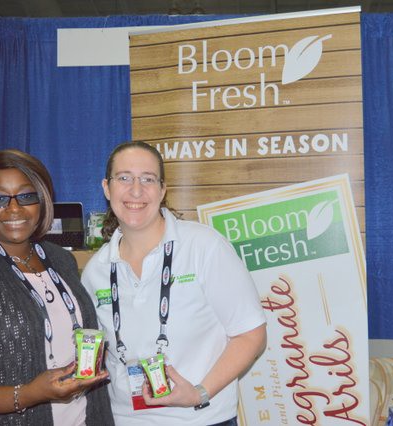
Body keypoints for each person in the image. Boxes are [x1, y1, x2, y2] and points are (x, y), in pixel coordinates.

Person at [81, 141, 266, 426]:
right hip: (124, 419)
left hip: (201, 418)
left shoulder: (204, 246)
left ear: (162, 190)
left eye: (148, 179)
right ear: (107, 188)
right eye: (124, 178)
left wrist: (199, 393)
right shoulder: (96, 270)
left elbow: (251, 335)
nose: (136, 190)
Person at [0, 149, 115, 425]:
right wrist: (30, 394)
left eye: (26, 196)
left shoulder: (60, 259)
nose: (14, 208)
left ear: (42, 201)